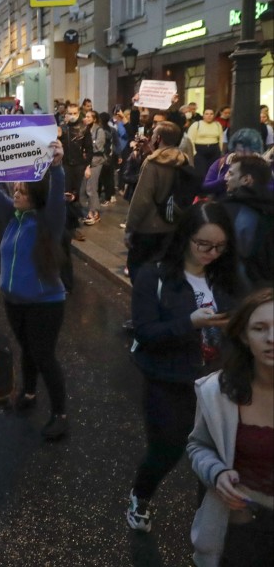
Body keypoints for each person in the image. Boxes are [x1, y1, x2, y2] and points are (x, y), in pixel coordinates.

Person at [126, 202, 241, 533]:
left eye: (219, 246)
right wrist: (188, 322)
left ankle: (207, 521)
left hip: (217, 381)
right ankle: (140, 495)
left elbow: (239, 316)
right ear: (185, 238)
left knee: (218, 455)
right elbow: (146, 332)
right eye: (202, 244)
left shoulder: (224, 277)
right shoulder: (155, 276)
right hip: (168, 380)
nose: (210, 252)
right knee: (167, 449)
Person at [0, 140, 70, 440]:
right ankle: (29, 394)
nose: (15, 193)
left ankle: (60, 414)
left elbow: (57, 198)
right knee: (27, 350)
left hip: (46, 303)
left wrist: (57, 170)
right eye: (15, 189)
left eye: (22, 191)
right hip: (14, 301)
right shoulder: (11, 217)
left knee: (44, 356)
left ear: (36, 196)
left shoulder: (49, 222)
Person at [187, 288, 273, 567]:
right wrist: (218, 472)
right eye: (260, 328)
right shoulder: (218, 392)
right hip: (240, 529)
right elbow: (198, 445)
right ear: (244, 336)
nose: (272, 338)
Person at [124, 121, 191, 284]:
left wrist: (130, 227)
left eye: (154, 134)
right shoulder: (184, 159)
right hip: (173, 223)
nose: (151, 136)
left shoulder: (152, 163)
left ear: (159, 138)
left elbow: (142, 199)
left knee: (139, 271)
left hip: (149, 227)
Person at [220, 154, 274, 287]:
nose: (225, 177)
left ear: (246, 180)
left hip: (238, 288)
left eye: (231, 173)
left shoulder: (230, 210)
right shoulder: (268, 208)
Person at [80, 110, 107, 226]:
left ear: (94, 119)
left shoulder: (99, 130)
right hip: (85, 162)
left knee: (91, 187)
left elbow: (98, 147)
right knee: (83, 188)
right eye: (86, 116)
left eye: (89, 117)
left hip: (96, 162)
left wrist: (87, 150)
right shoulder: (84, 129)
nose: (87, 118)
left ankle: (94, 213)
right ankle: (85, 212)